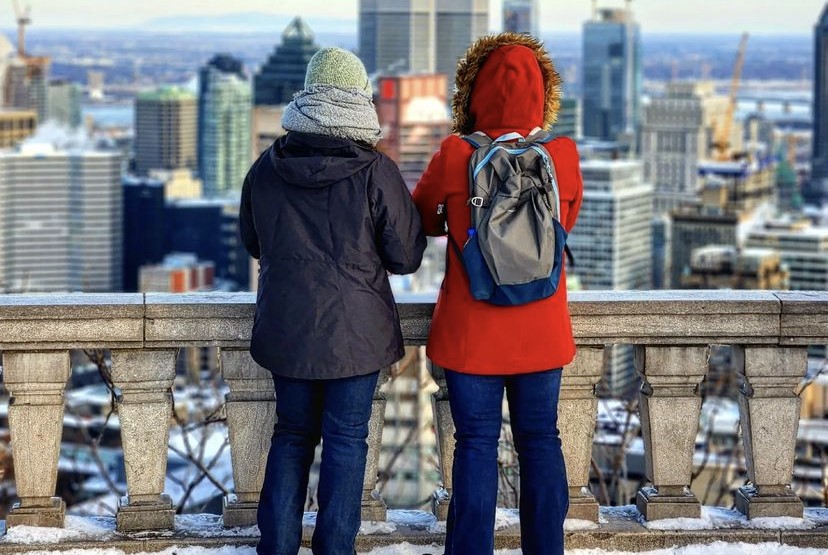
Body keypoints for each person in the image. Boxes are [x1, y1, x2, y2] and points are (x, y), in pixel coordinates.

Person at [240, 46, 426, 555]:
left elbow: (254, 242)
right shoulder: (376, 171)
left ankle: (275, 547)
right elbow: (406, 256)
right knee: (346, 443)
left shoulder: (266, 168)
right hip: (357, 335)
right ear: (358, 99)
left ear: (307, 93)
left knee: (292, 436)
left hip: (288, 328)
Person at [412, 33, 583, 555]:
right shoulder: (561, 154)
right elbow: (564, 226)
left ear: (472, 91)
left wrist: (461, 219)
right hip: (541, 330)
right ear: (543, 91)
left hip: (472, 332)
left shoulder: (456, 153)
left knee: (476, 448)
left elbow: (420, 218)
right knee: (541, 444)